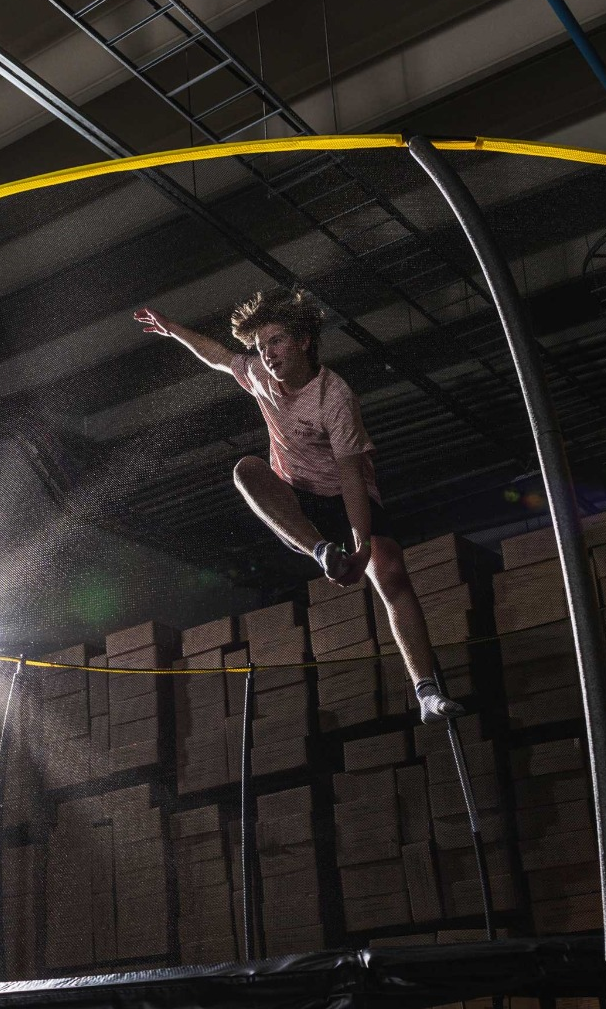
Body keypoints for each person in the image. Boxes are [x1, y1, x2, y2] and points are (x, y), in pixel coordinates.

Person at [133, 286, 463, 724]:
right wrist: (173, 329)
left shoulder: (334, 396)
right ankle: (320, 550)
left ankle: (426, 692)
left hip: (347, 496)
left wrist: (362, 545)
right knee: (246, 469)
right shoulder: (258, 376)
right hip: (298, 502)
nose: (266, 354)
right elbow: (215, 355)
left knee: (391, 575)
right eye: (259, 346)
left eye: (275, 342)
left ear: (304, 341)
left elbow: (351, 477)